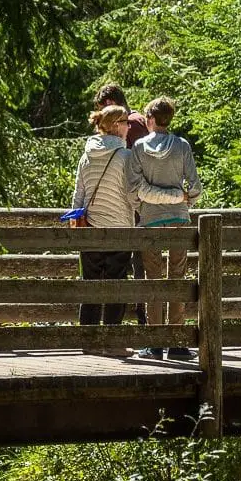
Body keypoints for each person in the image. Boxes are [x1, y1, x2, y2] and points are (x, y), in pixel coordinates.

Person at [129, 96, 202, 361]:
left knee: (153, 279)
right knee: (177, 279)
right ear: (169, 119)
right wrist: (182, 199)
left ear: (150, 119)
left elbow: (133, 191)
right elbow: (194, 187)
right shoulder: (182, 146)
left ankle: (155, 343)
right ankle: (177, 342)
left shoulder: (138, 147)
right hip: (180, 221)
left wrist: (145, 206)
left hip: (150, 221)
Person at [72, 104, 137, 358]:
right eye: (126, 122)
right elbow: (132, 195)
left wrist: (77, 223)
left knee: (90, 284)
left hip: (91, 230)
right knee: (116, 285)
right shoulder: (125, 157)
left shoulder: (86, 156)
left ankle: (87, 341)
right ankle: (112, 343)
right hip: (119, 228)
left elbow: (78, 195)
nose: (129, 127)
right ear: (116, 126)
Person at [93, 84, 150, 325]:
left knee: (133, 267)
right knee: (138, 266)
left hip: (127, 209)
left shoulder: (133, 124)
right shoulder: (141, 122)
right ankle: (141, 322)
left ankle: (140, 320)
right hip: (136, 206)